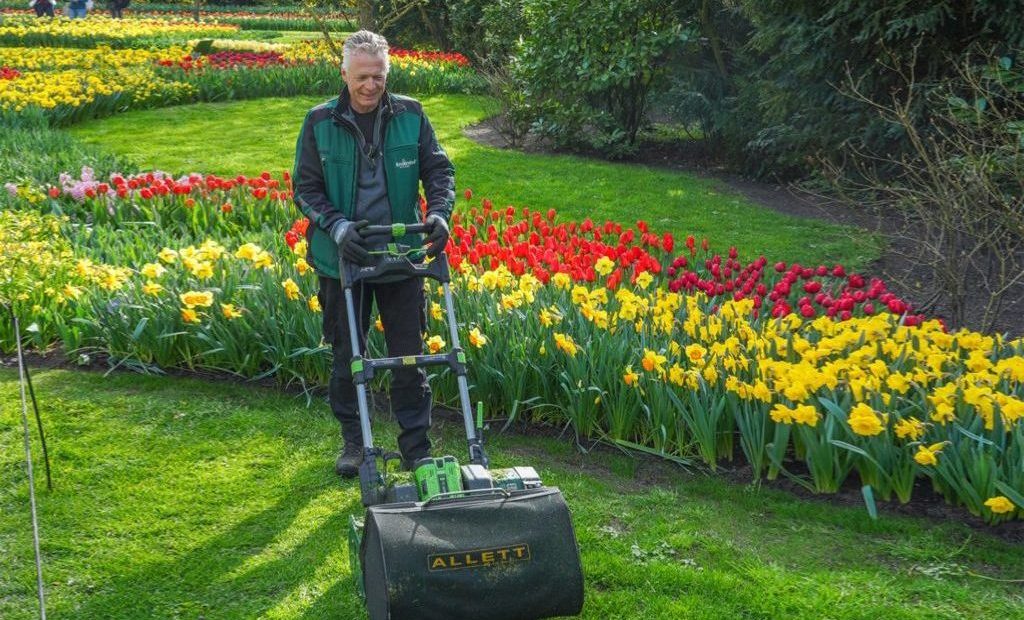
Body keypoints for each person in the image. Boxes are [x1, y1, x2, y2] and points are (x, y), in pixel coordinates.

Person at [292, 30, 454, 478]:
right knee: (349, 356)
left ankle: (416, 448)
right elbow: (304, 188)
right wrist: (338, 225)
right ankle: (354, 443)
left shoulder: (411, 115)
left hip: (401, 253)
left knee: (410, 357)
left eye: (378, 77)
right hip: (344, 257)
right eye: (362, 77)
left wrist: (439, 214)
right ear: (343, 74)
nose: (370, 86)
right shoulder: (320, 122)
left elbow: (438, 170)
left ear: (388, 74)